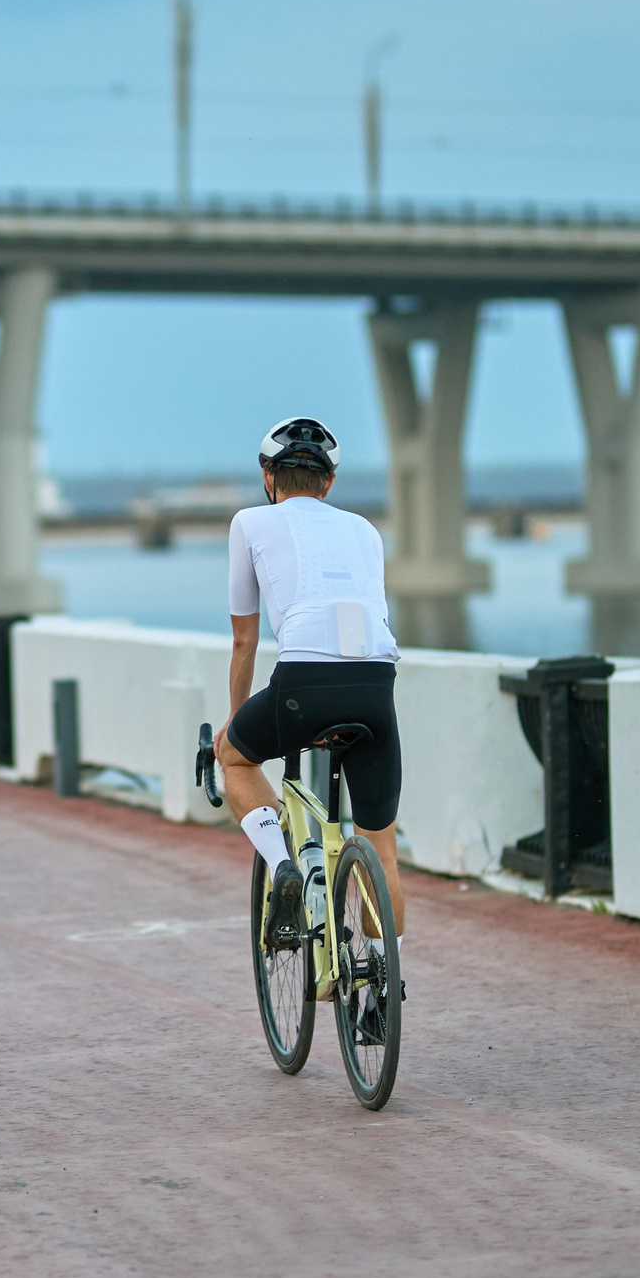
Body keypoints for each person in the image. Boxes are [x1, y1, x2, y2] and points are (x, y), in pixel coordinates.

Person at [211, 417, 406, 1043]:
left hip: (300, 687)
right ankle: (382, 985)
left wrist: (235, 725)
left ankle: (285, 868)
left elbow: (245, 638)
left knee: (235, 758)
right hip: (376, 689)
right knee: (382, 843)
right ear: (327, 485)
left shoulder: (250, 522)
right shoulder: (365, 530)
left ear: (269, 478)